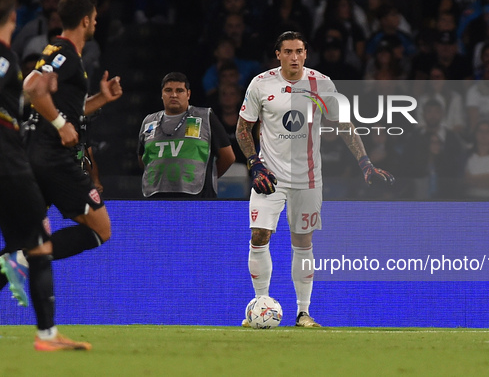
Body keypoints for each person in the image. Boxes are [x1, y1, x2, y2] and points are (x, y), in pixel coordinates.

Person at [236, 31, 394, 327]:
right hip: (269, 177)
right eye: (288, 52)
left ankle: (303, 313)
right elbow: (243, 128)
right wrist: (254, 163)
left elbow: (344, 123)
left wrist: (365, 162)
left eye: (299, 51)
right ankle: (260, 304)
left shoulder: (321, 83)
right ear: (278, 55)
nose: (294, 57)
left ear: (305, 54)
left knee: (303, 243)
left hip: (308, 178)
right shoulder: (261, 83)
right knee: (259, 235)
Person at [0, 0, 90, 351]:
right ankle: (46, 336)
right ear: (12, 18)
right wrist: (58, 122)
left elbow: (22, 96)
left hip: (13, 157)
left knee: (29, 243)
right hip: (9, 162)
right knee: (36, 243)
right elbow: (30, 85)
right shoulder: (4, 57)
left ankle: (47, 335)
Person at [23, 0, 121, 264]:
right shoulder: (64, 53)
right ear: (86, 21)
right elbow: (32, 87)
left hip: (36, 153)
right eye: (95, 19)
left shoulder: (60, 51)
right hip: (54, 157)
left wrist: (101, 99)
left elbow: (67, 108)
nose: (96, 24)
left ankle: (19, 258)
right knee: (101, 229)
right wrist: (60, 125)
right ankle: (22, 259)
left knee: (31, 238)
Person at [137, 72, 235, 198]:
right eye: (168, 90)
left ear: (188, 94)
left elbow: (228, 157)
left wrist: (206, 177)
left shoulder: (204, 117)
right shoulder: (149, 121)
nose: (173, 95)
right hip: (156, 197)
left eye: (179, 91)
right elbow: (143, 159)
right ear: (162, 94)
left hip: (197, 198)